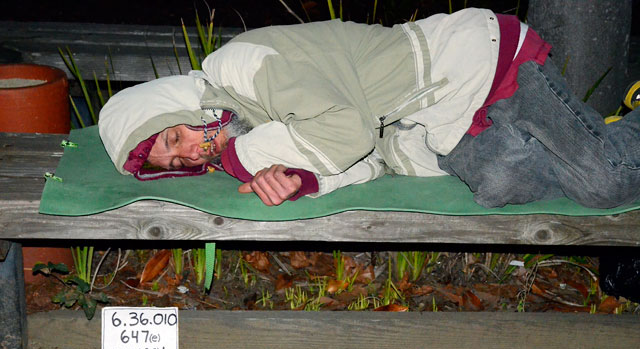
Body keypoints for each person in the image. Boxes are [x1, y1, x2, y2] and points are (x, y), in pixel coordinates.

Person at [98, 8, 640, 208]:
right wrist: (300, 182)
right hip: (444, 120)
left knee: (605, 183)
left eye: (174, 139)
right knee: (500, 187)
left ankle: (614, 135)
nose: (191, 154)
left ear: (172, 107)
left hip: (480, 61)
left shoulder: (239, 66)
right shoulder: (252, 123)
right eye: (177, 163)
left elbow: (348, 130)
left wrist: (246, 157)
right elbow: (363, 161)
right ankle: (574, 135)